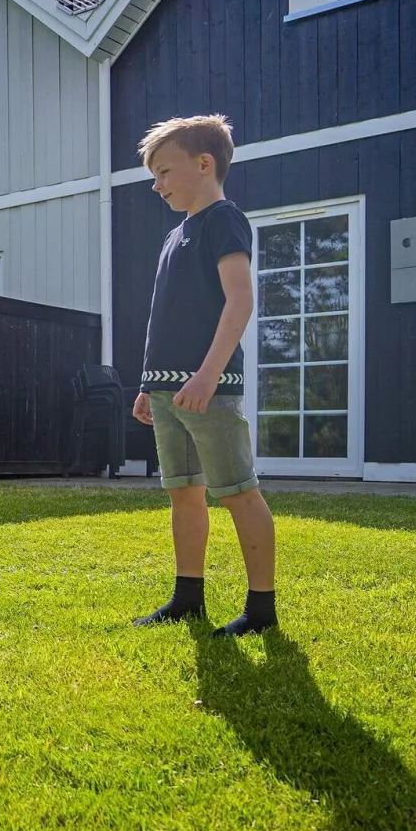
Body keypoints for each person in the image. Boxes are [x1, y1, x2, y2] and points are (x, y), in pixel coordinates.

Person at [131, 115, 277, 637]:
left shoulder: (223, 219)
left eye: (165, 171)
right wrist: (151, 383)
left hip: (207, 390)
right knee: (183, 493)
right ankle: (187, 597)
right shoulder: (176, 234)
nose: (158, 184)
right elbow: (166, 314)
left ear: (204, 163)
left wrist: (207, 375)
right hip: (169, 390)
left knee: (237, 492)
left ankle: (261, 609)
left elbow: (240, 301)